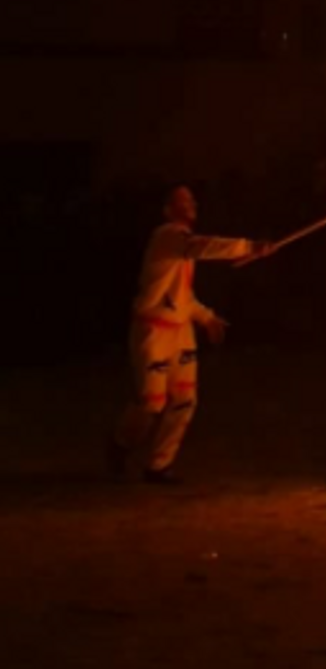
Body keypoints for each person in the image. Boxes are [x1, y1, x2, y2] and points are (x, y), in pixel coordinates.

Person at [108, 186, 271, 483]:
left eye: (192, 199)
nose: (191, 203)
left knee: (184, 400)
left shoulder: (183, 249)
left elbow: (183, 298)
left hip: (180, 332)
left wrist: (206, 318)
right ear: (167, 211)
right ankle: (121, 443)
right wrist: (249, 246)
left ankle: (158, 466)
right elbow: (202, 246)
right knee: (151, 403)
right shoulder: (167, 236)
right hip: (153, 331)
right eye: (182, 200)